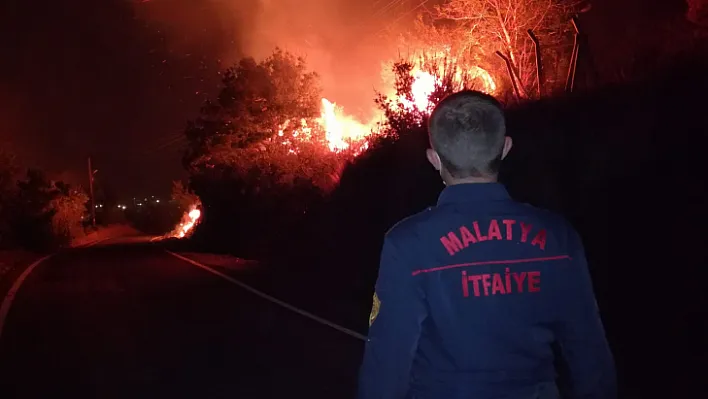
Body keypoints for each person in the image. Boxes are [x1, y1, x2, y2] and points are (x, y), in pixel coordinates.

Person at [357, 90, 616, 399]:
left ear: (434, 158)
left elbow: (388, 359)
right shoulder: (559, 236)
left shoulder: (408, 243)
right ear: (505, 148)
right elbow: (589, 351)